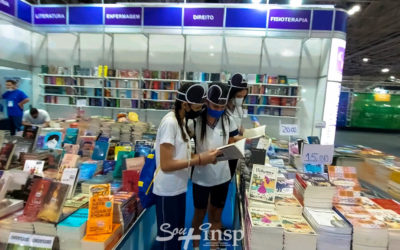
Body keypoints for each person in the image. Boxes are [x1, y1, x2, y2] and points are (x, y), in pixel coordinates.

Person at [153, 82, 221, 250]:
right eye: (197, 107)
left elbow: (180, 155)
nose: (199, 110)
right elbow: (167, 164)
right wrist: (199, 160)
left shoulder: (181, 121)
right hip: (167, 191)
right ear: (185, 104)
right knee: (168, 241)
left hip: (179, 188)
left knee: (177, 237)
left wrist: (204, 157)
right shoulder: (170, 123)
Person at [190, 82, 242, 249]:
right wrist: (198, 157)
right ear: (206, 102)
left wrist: (247, 141)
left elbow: (233, 142)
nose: (218, 110)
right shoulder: (195, 121)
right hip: (201, 176)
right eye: (215, 105)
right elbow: (183, 148)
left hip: (222, 176)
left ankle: (214, 246)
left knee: (216, 215)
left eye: (222, 106)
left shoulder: (228, 120)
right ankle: (196, 246)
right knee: (199, 213)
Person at [226, 73, 249, 177]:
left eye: (243, 97)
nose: (241, 99)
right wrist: (246, 138)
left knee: (231, 175)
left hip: (236, 149)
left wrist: (244, 131)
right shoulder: (223, 109)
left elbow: (238, 125)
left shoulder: (238, 107)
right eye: (239, 96)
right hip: (226, 150)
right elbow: (229, 137)